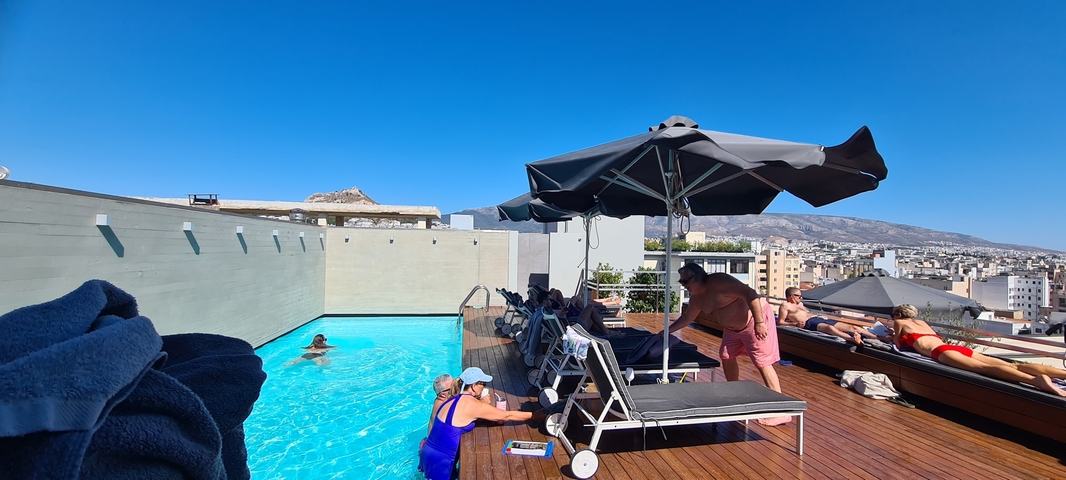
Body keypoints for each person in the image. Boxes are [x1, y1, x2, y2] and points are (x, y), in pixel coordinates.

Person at [669, 263, 790, 425]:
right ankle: (735, 395)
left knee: (762, 362)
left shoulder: (720, 283)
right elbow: (687, 317)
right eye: (681, 282)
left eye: (685, 282)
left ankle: (781, 410)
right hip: (732, 329)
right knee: (726, 355)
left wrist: (759, 322)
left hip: (754, 321)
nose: (683, 285)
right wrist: (666, 331)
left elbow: (750, 293)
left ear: (696, 278)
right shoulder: (696, 298)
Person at [888, 304, 1066, 397]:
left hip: (940, 352)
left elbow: (898, 344)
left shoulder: (899, 322)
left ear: (899, 314)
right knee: (1014, 365)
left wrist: (889, 336)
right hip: (953, 347)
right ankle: (1062, 375)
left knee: (984, 369)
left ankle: (1035, 381)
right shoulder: (922, 323)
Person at [418, 367, 546, 480]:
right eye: (483, 384)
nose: (484, 387)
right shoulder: (472, 404)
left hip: (428, 453)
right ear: (474, 386)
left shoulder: (452, 400)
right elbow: (506, 415)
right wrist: (535, 415)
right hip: (442, 461)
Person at [778, 287, 880, 344]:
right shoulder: (785, 305)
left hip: (817, 318)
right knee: (829, 328)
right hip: (809, 323)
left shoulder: (800, 304)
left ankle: (878, 337)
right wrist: (795, 324)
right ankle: (851, 339)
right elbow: (780, 322)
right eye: (799, 296)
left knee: (852, 327)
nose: (801, 298)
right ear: (792, 296)